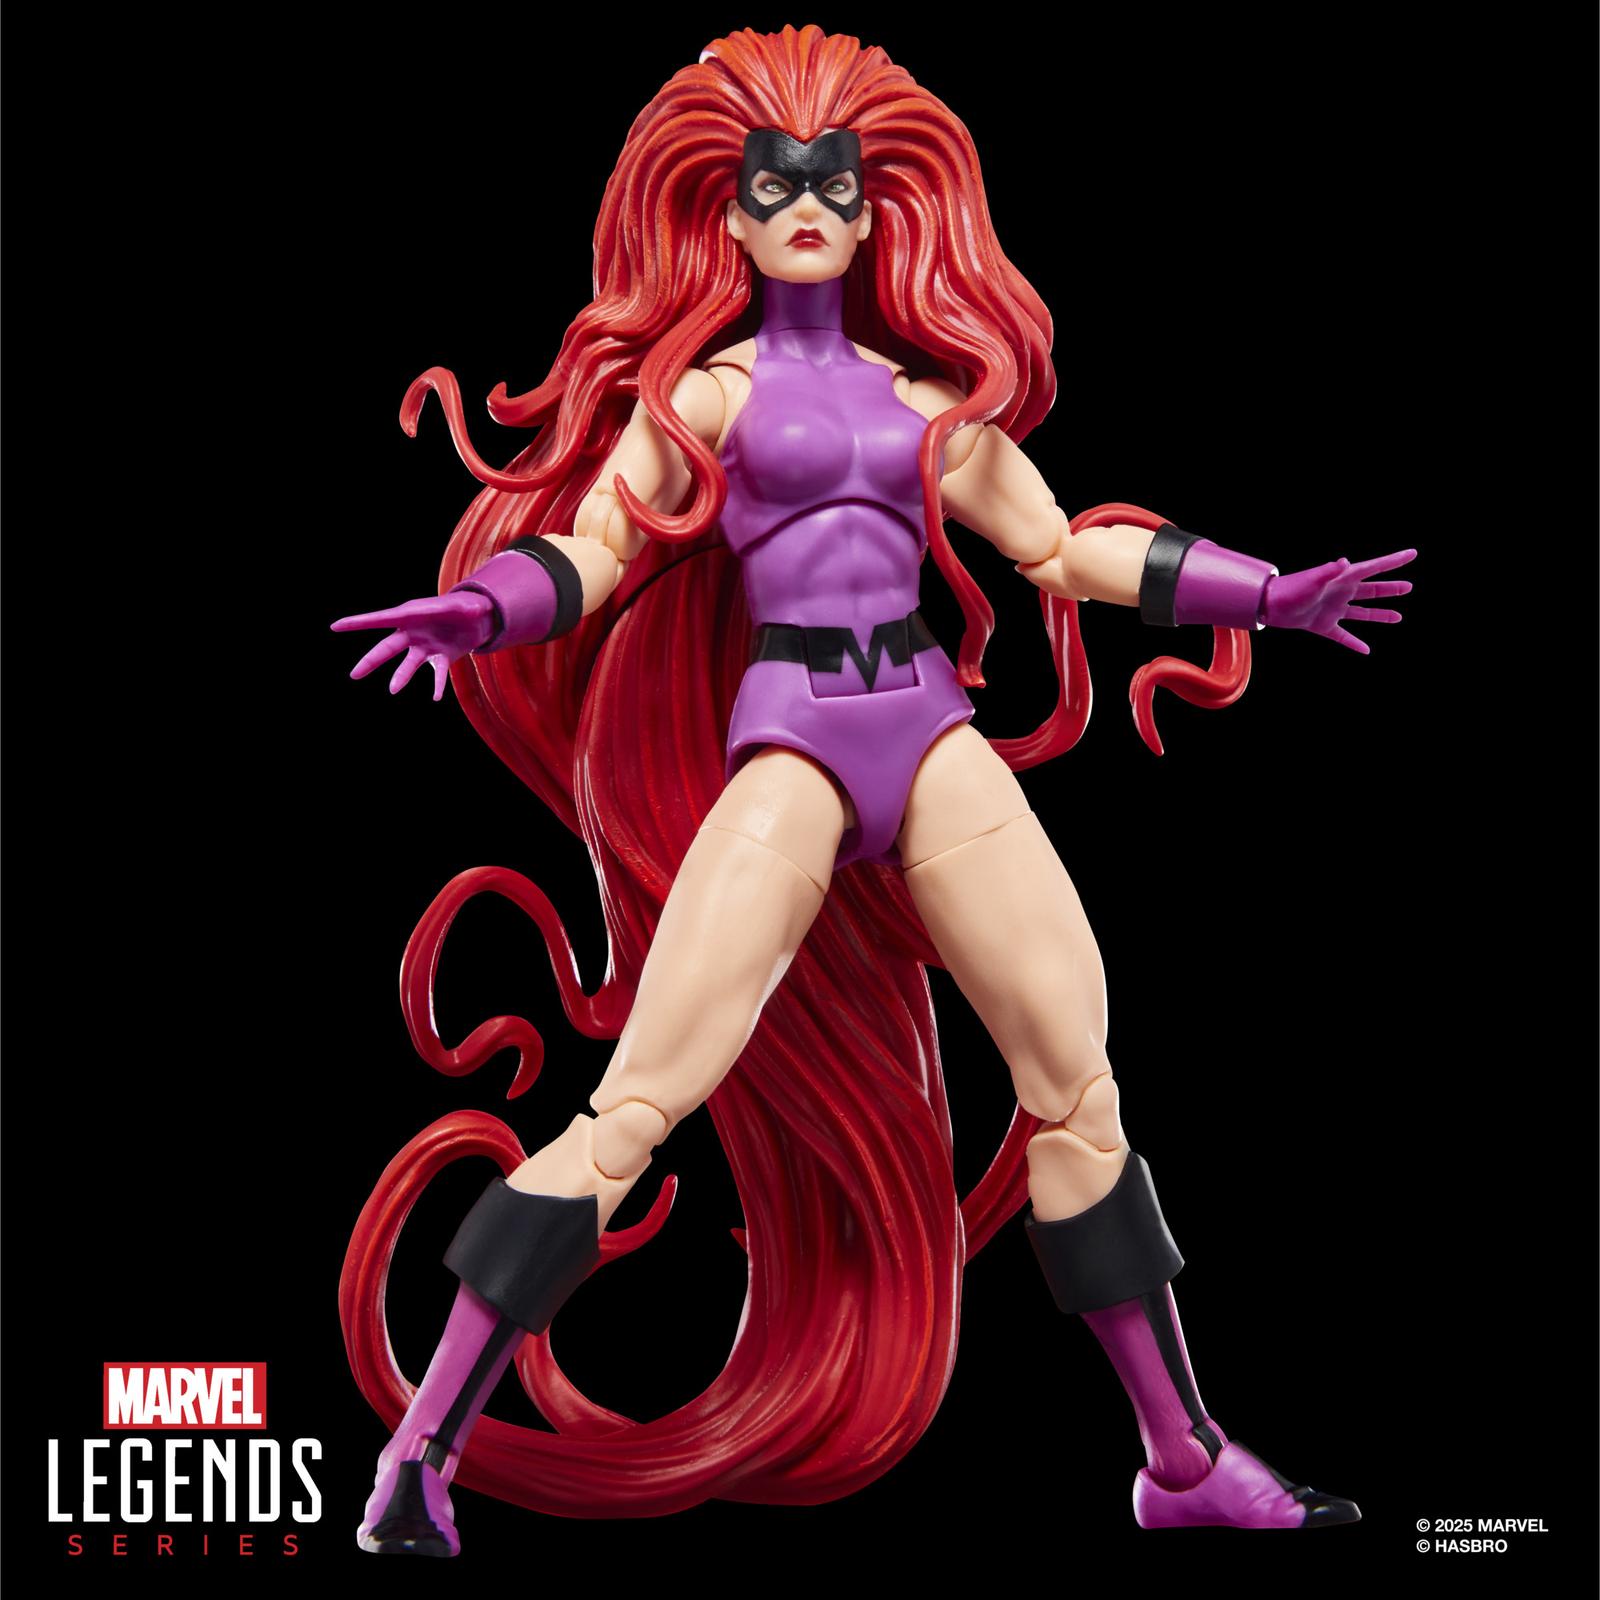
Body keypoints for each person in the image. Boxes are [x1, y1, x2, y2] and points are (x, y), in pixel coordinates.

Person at [333, 24, 1414, 1556]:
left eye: (832, 183)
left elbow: (1064, 551)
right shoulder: (705, 399)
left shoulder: (928, 404)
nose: (806, 207)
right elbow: (601, 548)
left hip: (928, 732)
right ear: (728, 212)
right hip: (792, 748)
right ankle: (421, 1451)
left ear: (872, 208)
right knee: (637, 1105)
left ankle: (1180, 1462)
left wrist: (1263, 593)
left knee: (1078, 1088)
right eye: (776, 183)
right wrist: (487, 606)